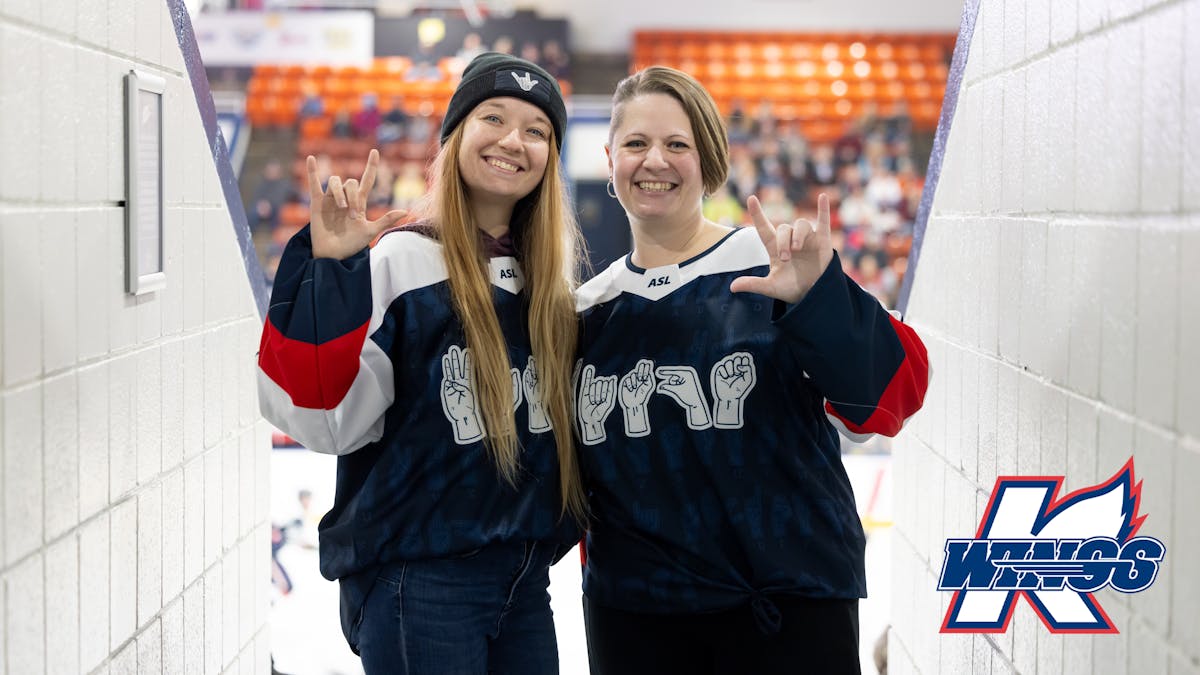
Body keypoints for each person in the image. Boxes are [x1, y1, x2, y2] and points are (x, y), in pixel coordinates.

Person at [575, 66, 929, 675]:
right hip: (634, 619)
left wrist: (819, 301)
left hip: (785, 618)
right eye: (636, 143)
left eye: (677, 143)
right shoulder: (586, 309)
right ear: (610, 160)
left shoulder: (770, 263)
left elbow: (894, 397)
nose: (654, 160)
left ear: (708, 159)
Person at [257, 52, 585, 674]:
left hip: (523, 581)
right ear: (456, 134)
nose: (513, 141)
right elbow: (326, 421)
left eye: (537, 130)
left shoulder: (550, 284)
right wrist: (333, 275)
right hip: (420, 584)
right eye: (494, 117)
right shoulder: (400, 260)